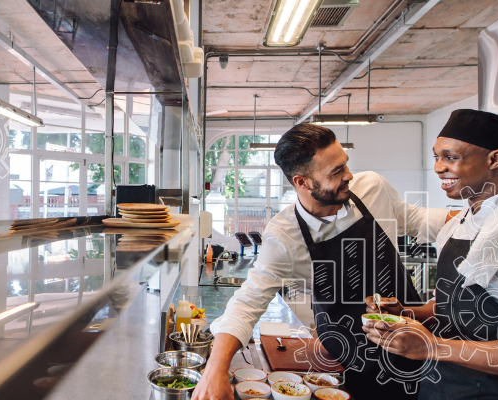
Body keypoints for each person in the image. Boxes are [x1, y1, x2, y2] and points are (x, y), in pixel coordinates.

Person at [193, 123, 456, 400]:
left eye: (345, 164)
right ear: (302, 182)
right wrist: (215, 369)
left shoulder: (371, 188)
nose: (349, 175)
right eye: (336, 172)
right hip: (346, 362)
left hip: (416, 340)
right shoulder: (284, 237)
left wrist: (478, 216)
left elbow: (414, 219)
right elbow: (247, 302)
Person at [362, 109, 498, 399]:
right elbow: (461, 302)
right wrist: (409, 313)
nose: (438, 168)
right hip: (442, 385)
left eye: (451, 157)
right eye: (436, 157)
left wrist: (432, 346)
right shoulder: (459, 224)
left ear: (494, 159)